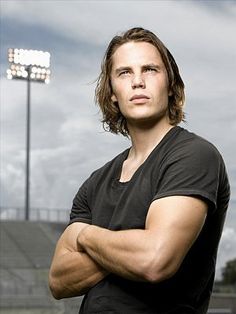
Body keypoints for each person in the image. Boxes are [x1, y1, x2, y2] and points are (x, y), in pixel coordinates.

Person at [49, 27, 230, 314]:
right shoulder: (95, 183)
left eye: (150, 69)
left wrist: (84, 236)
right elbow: (59, 281)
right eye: (124, 73)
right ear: (112, 95)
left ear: (170, 85)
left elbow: (154, 259)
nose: (137, 82)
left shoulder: (194, 155)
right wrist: (131, 243)